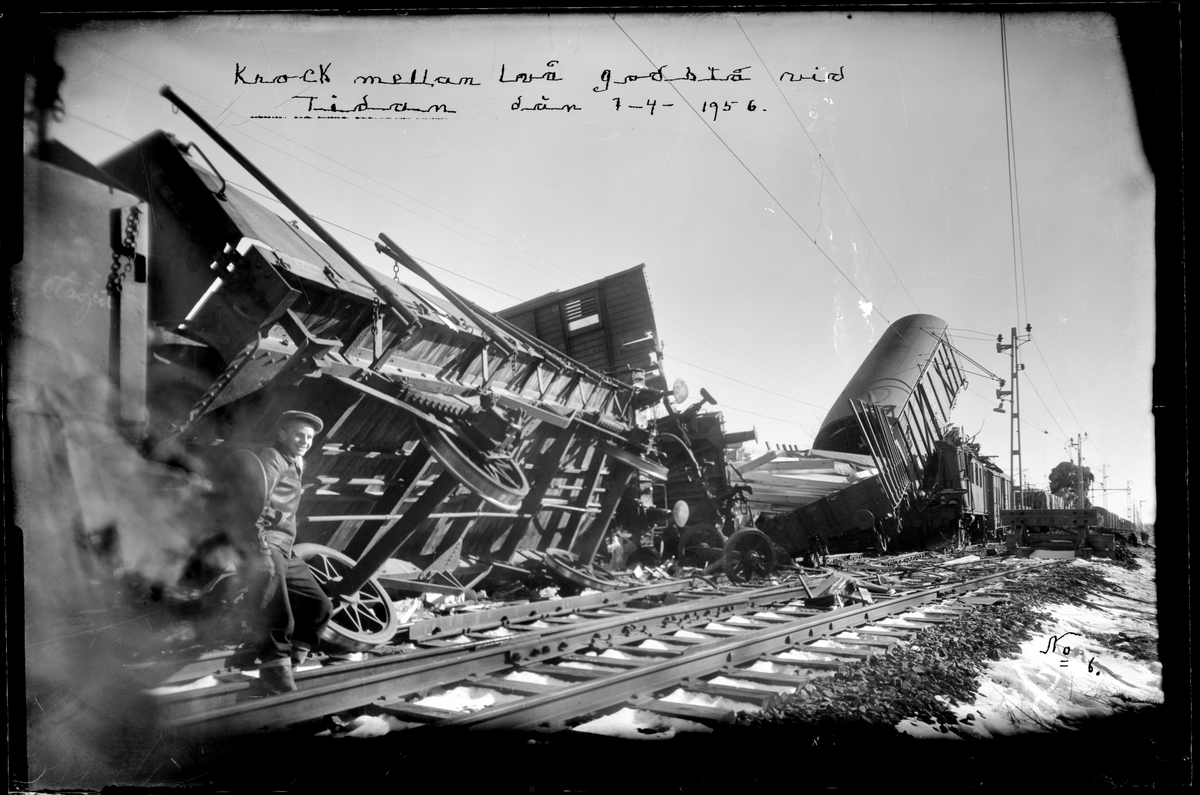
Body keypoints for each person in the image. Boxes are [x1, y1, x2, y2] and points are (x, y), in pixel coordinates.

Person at [250, 410, 333, 695]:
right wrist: (261, 547)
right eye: (299, 435)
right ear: (283, 434)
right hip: (267, 541)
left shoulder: (296, 462)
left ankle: (291, 664)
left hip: (285, 546)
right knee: (278, 605)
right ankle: (275, 669)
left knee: (320, 607)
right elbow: (256, 503)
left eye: (309, 437)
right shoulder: (272, 457)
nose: (305, 441)